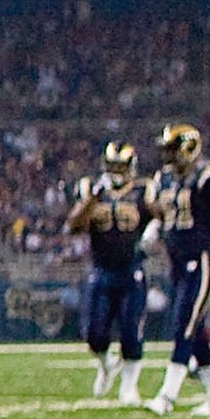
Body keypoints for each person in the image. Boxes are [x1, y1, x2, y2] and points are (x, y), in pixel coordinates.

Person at [68, 141, 148, 405]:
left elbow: (158, 215)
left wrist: (154, 230)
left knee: (130, 333)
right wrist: (91, 200)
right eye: (112, 166)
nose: (115, 171)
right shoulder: (92, 189)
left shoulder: (142, 190)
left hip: (131, 270)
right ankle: (106, 365)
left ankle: (129, 387)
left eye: (120, 166)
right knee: (95, 335)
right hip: (101, 270)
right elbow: (73, 226)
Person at [145, 124, 210, 416]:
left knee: (183, 325)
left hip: (200, 258)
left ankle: (167, 397)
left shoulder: (207, 177)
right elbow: (156, 205)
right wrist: (158, 225)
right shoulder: (164, 179)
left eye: (173, 148)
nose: (168, 155)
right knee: (196, 332)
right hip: (176, 259)